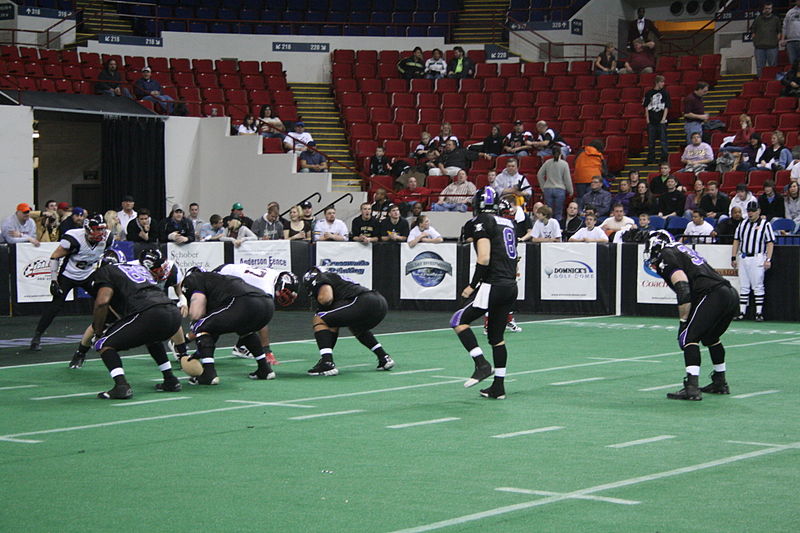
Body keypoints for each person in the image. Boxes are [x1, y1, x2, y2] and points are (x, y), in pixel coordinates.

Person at [643, 230, 738, 401]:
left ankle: (692, 387)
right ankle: (720, 381)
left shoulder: (666, 254)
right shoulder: (681, 249)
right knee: (710, 337)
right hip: (729, 293)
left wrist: (683, 321)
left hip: (712, 294)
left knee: (688, 338)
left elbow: (683, 288)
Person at [450, 187, 518, 399]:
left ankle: (481, 364)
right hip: (510, 285)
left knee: (458, 321)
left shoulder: (482, 222)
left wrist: (472, 284)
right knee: (496, 337)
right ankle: (499, 386)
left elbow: (484, 258)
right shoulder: (508, 222)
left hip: (493, 284)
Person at [90, 251, 183, 399]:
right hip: (172, 312)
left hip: (149, 312)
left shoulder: (106, 271)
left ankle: (121, 386)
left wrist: (98, 331)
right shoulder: (137, 268)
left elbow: (102, 302)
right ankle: (170, 379)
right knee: (152, 338)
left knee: (103, 344)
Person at [180, 268, 293, 384]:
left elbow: (197, 313)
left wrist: (198, 335)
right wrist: (201, 350)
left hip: (242, 302)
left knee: (199, 326)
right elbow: (215, 327)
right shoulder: (218, 282)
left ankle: (208, 374)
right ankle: (264, 369)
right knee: (245, 330)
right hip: (266, 304)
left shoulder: (193, 279)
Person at [29, 214, 113, 351]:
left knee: (105, 302)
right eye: (96, 229)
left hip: (88, 274)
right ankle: (37, 336)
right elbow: (55, 256)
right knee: (55, 306)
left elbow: (105, 256)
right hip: (69, 274)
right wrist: (54, 280)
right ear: (87, 229)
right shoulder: (74, 238)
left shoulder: (108, 238)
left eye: (102, 229)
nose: (100, 233)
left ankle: (101, 332)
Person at [303, 267, 395, 376]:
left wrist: (321, 306)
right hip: (379, 302)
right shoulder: (337, 279)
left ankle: (327, 362)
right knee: (355, 326)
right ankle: (384, 357)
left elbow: (326, 299)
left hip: (363, 301)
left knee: (320, 318)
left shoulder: (321, 277)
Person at [732, 201, 775, 321]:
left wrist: (768, 259)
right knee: (744, 285)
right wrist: (733, 257)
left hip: (757, 257)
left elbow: (770, 242)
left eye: (753, 211)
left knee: (757, 285)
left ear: (759, 211)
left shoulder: (765, 224)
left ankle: (758, 313)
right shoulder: (743, 223)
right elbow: (737, 240)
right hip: (744, 256)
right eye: (749, 211)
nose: (750, 213)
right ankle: (742, 312)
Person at [537, 150, 573, 222]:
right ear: (560, 154)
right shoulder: (564, 164)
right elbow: (567, 179)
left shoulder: (547, 162)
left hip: (548, 189)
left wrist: (543, 186)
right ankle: (557, 229)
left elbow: (539, 174)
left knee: (548, 213)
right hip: (560, 189)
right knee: (558, 213)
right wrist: (570, 190)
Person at [643, 75, 670, 164]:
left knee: (663, 140)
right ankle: (651, 158)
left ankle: (664, 158)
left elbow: (666, 107)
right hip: (651, 120)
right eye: (661, 82)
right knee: (651, 142)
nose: (663, 84)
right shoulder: (649, 93)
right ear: (657, 82)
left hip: (661, 119)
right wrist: (647, 119)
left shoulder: (665, 93)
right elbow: (646, 106)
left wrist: (663, 118)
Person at [751, 2, 782, 77]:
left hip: (772, 47)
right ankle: (760, 81)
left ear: (772, 9)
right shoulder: (758, 19)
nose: (767, 10)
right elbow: (753, 31)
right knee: (759, 67)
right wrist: (755, 41)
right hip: (759, 48)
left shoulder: (776, 19)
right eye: (766, 8)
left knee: (773, 66)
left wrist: (776, 41)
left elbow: (779, 32)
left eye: (769, 8)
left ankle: (772, 83)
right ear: (763, 9)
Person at [573, 140, 605, 204]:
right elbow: (604, 169)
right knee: (590, 198)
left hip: (580, 179)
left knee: (580, 198)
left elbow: (574, 162)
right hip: (594, 179)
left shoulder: (581, 152)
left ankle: (580, 212)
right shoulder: (599, 155)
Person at [781, 0, 800, 65]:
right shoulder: (790, 12)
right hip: (790, 42)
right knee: (793, 64)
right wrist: (783, 39)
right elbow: (784, 26)